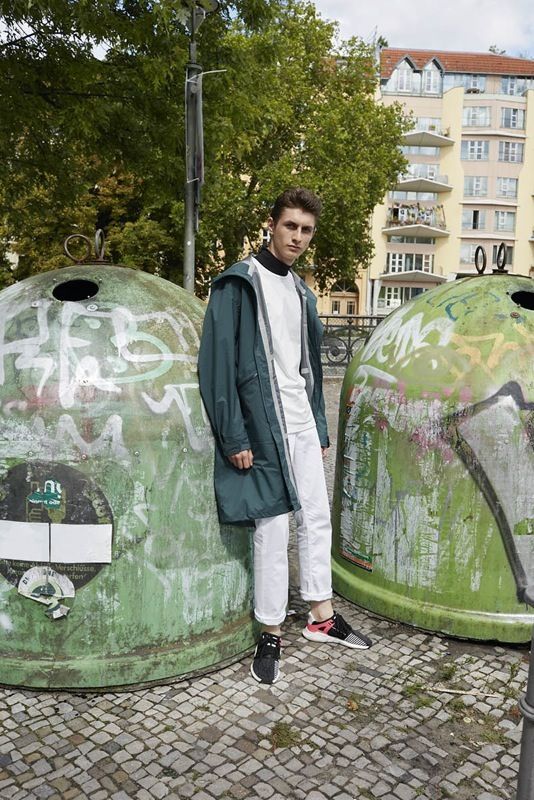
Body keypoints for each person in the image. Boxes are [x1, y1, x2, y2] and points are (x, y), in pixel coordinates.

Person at [198, 187, 372, 685]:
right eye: (290, 226)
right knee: (272, 527)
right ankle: (270, 630)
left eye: (306, 230)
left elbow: (308, 367)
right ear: (271, 224)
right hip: (260, 429)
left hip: (300, 424)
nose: (297, 237)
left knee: (316, 517)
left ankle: (321, 616)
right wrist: (234, 437)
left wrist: (318, 424)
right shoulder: (238, 284)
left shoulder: (301, 291)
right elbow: (216, 365)